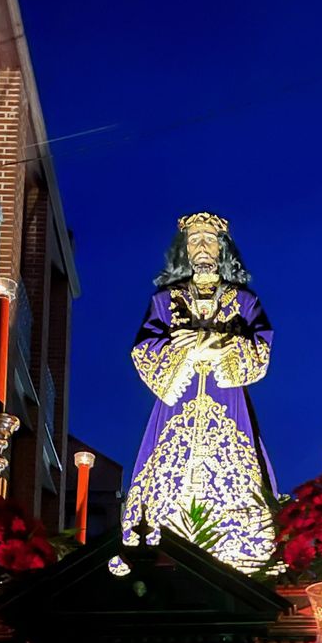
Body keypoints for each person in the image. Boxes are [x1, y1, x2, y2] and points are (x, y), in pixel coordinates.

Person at [118, 212, 279, 571]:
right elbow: (144, 349)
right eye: (194, 240)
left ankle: (240, 551)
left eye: (209, 239)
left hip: (227, 404)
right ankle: (158, 548)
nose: (202, 247)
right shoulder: (165, 301)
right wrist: (186, 350)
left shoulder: (244, 301)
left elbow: (261, 350)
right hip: (178, 409)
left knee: (237, 478)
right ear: (183, 250)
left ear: (223, 249)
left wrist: (213, 340)